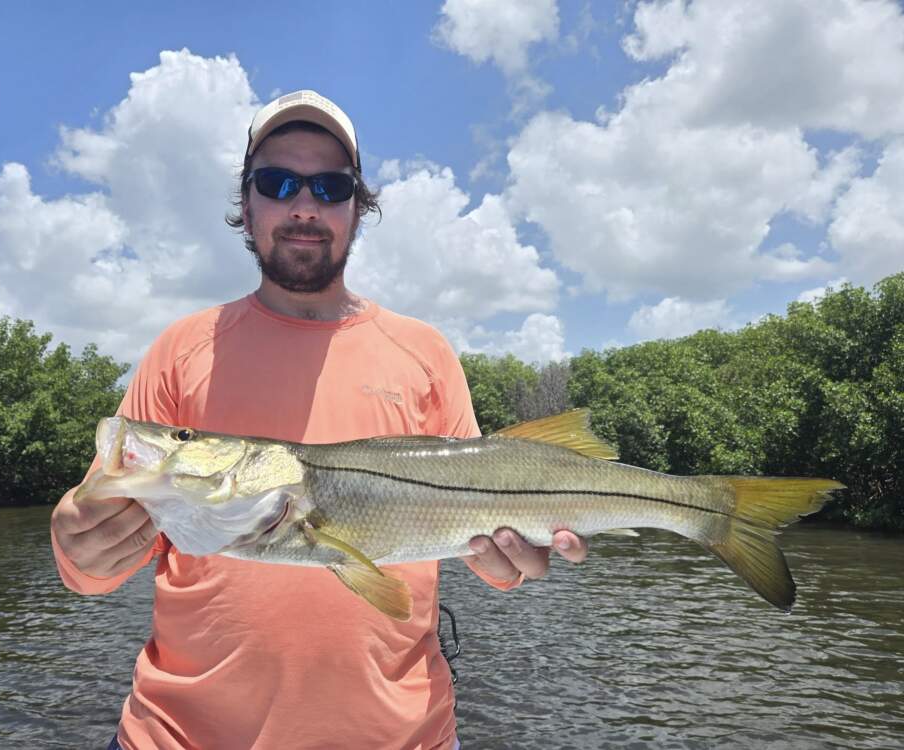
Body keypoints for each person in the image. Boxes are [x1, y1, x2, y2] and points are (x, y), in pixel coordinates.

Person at [51, 89, 587, 750]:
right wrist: (77, 547)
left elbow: (487, 546)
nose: (303, 206)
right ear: (245, 207)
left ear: (357, 212)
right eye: (276, 182)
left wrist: (510, 566)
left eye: (330, 187)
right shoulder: (179, 351)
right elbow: (92, 565)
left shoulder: (425, 353)